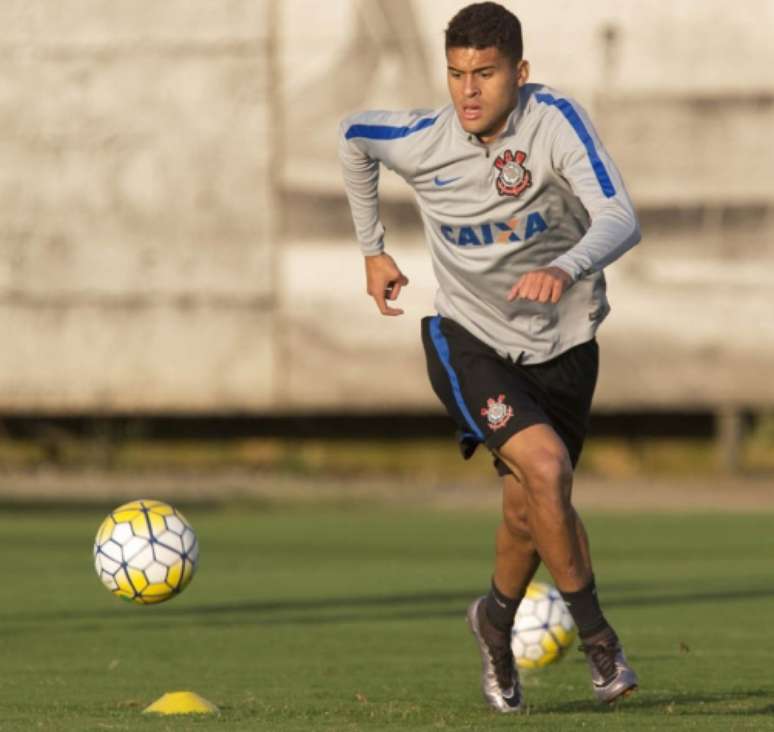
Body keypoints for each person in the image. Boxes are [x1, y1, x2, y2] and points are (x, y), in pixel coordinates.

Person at [338, 1, 640, 713]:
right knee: (545, 468)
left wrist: (564, 268)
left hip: (564, 346)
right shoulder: (421, 139)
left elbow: (621, 216)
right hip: (467, 339)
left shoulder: (553, 122)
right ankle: (601, 645)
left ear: (520, 73)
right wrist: (373, 249)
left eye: (485, 73)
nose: (468, 90)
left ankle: (493, 621)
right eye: (456, 73)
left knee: (528, 508)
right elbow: (354, 140)